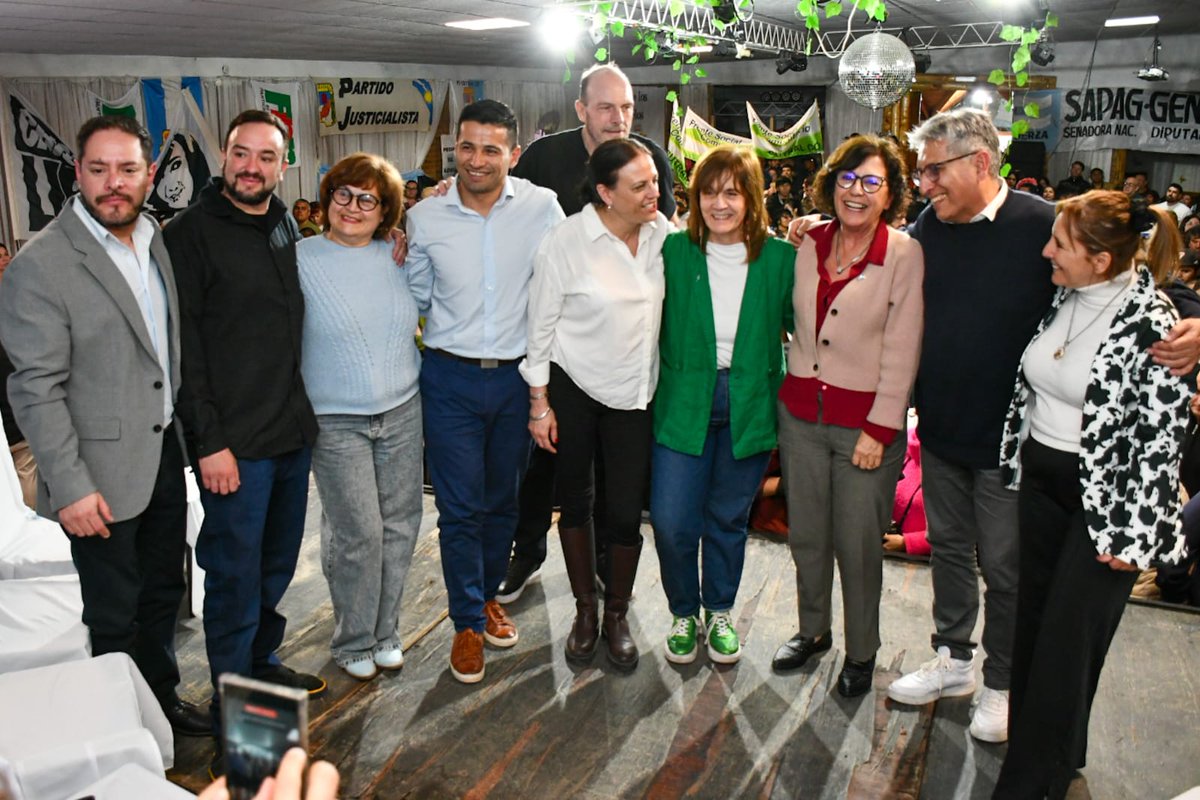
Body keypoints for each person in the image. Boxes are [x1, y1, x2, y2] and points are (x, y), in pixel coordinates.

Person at [0, 115, 207, 735]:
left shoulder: (155, 238)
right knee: (113, 612)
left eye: (127, 169)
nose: (112, 183)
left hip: (163, 456)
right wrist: (69, 486)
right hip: (94, 477)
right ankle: (118, 727)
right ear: (78, 172)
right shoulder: (42, 264)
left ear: (149, 175)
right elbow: (35, 387)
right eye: (98, 169)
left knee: (160, 600)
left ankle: (160, 704)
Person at [993, 191, 1189, 798]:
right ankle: (1052, 759)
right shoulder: (1064, 296)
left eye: (1060, 243)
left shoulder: (1154, 323)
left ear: (1100, 260)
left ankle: (1028, 785)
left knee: (1066, 649)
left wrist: (1135, 536)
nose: (1046, 250)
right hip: (1042, 485)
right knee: (1034, 632)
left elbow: (1161, 436)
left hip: (1106, 510)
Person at [164, 110, 328, 743]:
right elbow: (187, 354)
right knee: (233, 579)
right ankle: (242, 725)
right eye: (241, 153)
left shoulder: (284, 221)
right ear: (223, 155)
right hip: (234, 448)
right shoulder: (190, 234)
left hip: (290, 435)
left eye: (266, 156)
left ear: (282, 165)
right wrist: (210, 444)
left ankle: (261, 667)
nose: (251, 166)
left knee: (275, 568)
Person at [498, 62, 677, 604]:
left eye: (626, 107)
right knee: (543, 467)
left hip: (622, 354)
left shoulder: (650, 158)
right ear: (581, 110)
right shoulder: (543, 158)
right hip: (556, 348)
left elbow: (664, 242)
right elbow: (499, 204)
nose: (619, 118)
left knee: (614, 480)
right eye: (606, 107)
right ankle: (526, 552)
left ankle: (603, 568)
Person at [405, 99, 563, 684]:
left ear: (512, 154)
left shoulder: (544, 209)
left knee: (504, 502)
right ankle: (467, 620)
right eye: (466, 148)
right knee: (459, 508)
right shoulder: (427, 217)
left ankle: (489, 593)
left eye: (490, 149)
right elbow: (413, 299)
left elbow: (569, 273)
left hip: (520, 379)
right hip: (448, 377)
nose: (476, 160)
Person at [770, 135, 923, 697]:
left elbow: (904, 348)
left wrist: (881, 429)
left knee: (859, 547)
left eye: (872, 182)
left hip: (865, 429)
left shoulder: (904, 254)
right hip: (800, 418)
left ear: (891, 195)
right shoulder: (806, 240)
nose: (856, 192)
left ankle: (862, 651)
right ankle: (813, 632)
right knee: (806, 535)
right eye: (847, 179)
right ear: (831, 183)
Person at [521, 138, 670, 671]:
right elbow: (539, 326)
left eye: (654, 179)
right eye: (640, 185)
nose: (655, 191)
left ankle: (617, 614)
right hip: (574, 386)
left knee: (627, 510)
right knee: (576, 500)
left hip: (635, 392)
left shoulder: (662, 235)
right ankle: (586, 610)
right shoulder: (567, 240)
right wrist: (540, 403)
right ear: (605, 193)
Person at [651, 145, 796, 666]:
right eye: (709, 192)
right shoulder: (673, 250)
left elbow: (805, 329)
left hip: (750, 404)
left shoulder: (781, 260)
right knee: (670, 521)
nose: (719, 204)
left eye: (732, 192)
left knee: (728, 518)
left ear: (752, 197)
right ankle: (683, 611)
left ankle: (719, 611)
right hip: (682, 403)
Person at [297, 153, 427, 681]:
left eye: (367, 199)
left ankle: (385, 630)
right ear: (327, 200)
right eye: (343, 195)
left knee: (400, 526)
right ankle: (352, 636)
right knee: (359, 533)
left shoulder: (398, 256)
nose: (352, 207)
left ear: (386, 211)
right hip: (334, 420)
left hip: (402, 410)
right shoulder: (298, 257)